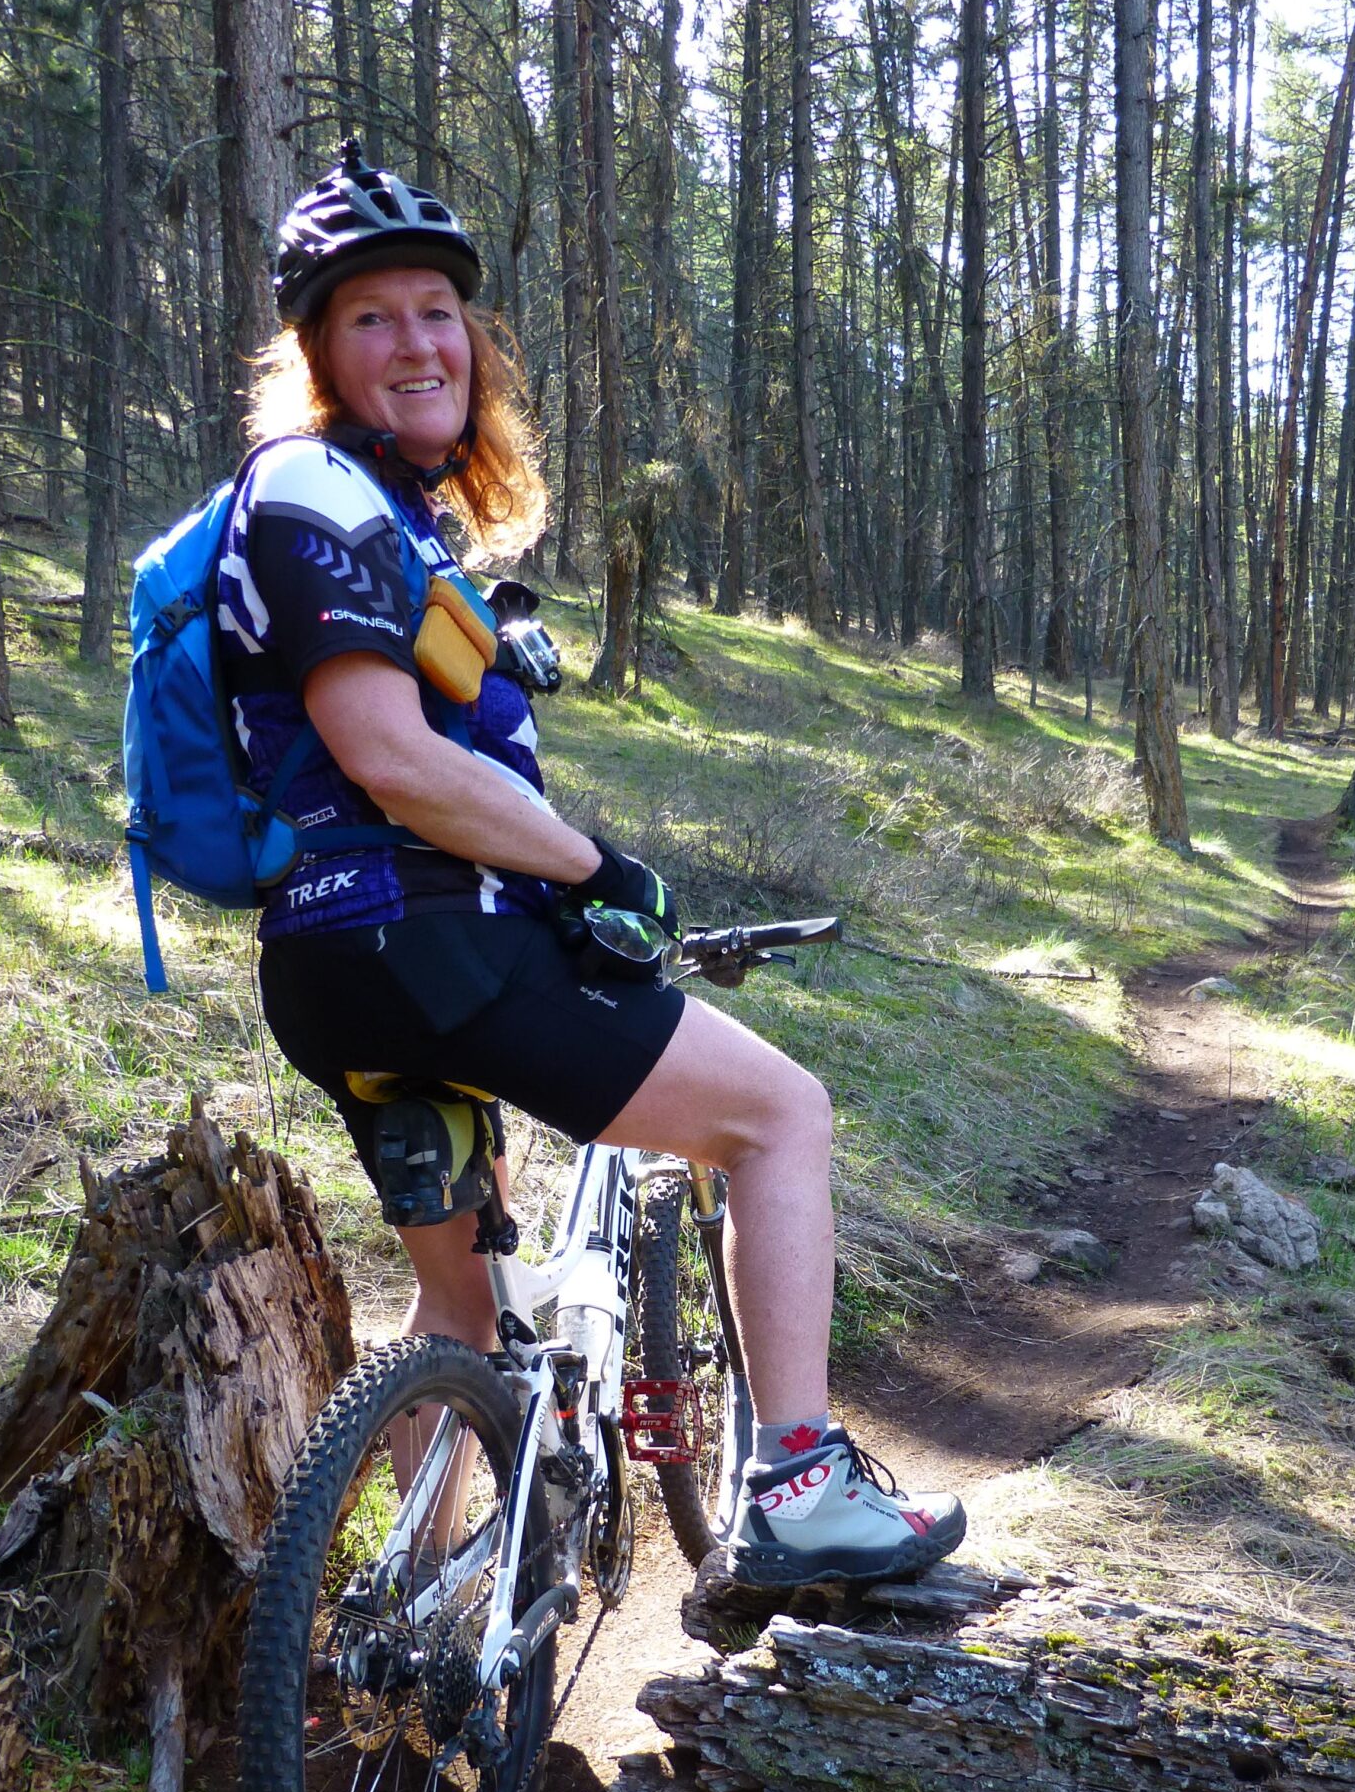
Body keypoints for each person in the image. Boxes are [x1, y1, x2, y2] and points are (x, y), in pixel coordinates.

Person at [224, 139, 965, 1590]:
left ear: (474, 338)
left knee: (457, 1313)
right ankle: (800, 1488)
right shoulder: (315, 491)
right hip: (433, 947)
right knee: (778, 1118)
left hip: (334, 974)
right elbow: (386, 752)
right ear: (319, 353)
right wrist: (591, 868)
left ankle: (411, 1615)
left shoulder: (382, 511)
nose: (417, 340)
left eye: (437, 309)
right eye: (370, 316)